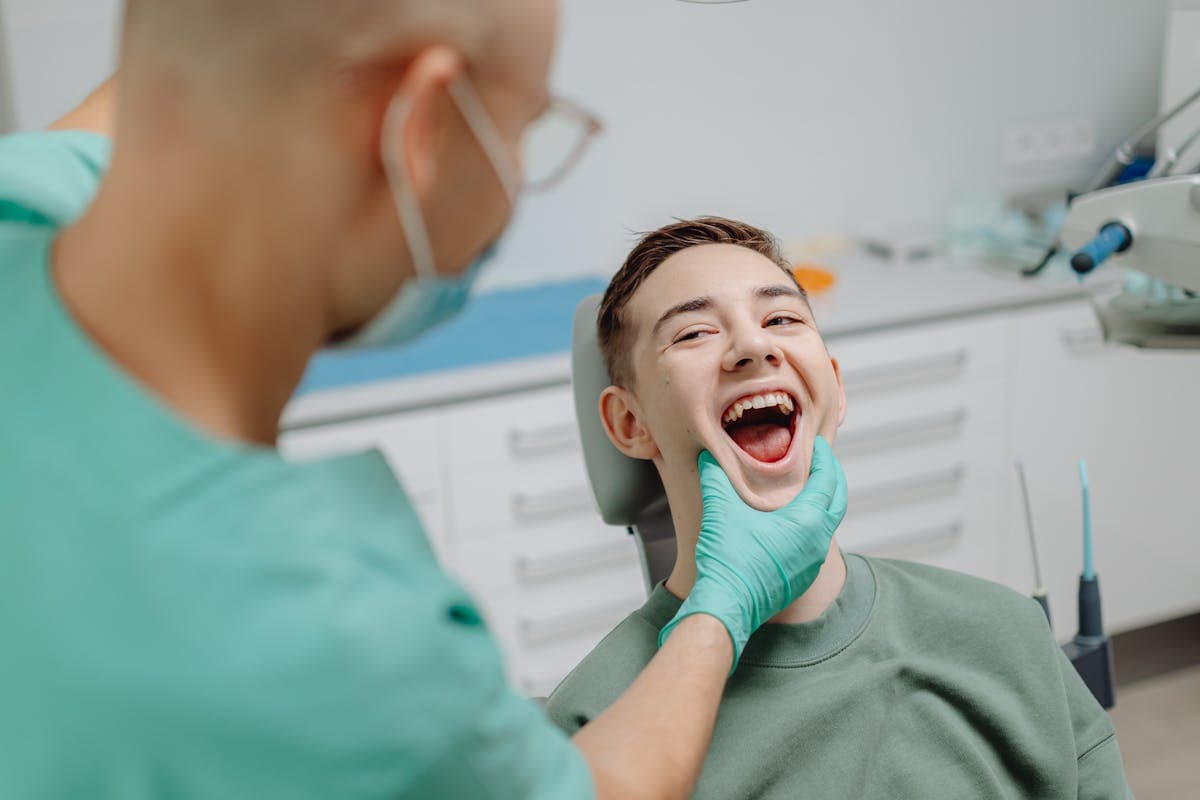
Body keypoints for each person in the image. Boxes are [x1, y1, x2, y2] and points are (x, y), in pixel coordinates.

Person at [0, 3, 849, 799]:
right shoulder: (344, 649)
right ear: (419, 132)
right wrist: (723, 605)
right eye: (525, 130)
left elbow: (198, 58)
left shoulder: (23, 201)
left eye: (781, 314)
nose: (753, 345)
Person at [546, 217, 1133, 799]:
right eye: (694, 333)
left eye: (781, 318)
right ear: (630, 422)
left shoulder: (1005, 633)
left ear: (832, 384)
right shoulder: (591, 736)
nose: (753, 345)